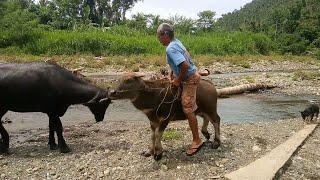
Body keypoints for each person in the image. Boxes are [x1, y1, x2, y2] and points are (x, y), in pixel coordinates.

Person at [157, 23, 203, 156]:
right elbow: (176, 63)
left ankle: (197, 140)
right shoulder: (176, 42)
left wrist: (177, 81)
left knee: (187, 107)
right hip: (185, 75)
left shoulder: (170, 48)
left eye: (159, 36)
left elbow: (184, 65)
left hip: (189, 78)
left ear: (165, 35)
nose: (158, 39)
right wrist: (172, 74)